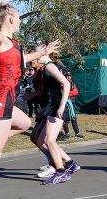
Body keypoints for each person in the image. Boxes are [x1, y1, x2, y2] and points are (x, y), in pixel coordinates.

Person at [0, 0, 60, 198]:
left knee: (24, 122)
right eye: (18, 17)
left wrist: (42, 52)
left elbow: (21, 59)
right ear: (9, 19)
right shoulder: (1, 40)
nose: (20, 21)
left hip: (4, 99)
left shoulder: (14, 45)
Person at [34, 44, 80, 185]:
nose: (35, 56)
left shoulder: (50, 66)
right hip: (52, 106)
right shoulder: (47, 68)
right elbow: (51, 91)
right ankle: (70, 164)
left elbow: (66, 84)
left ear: (45, 53)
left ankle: (61, 172)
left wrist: (61, 105)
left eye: (36, 53)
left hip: (58, 107)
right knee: (42, 140)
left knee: (49, 141)